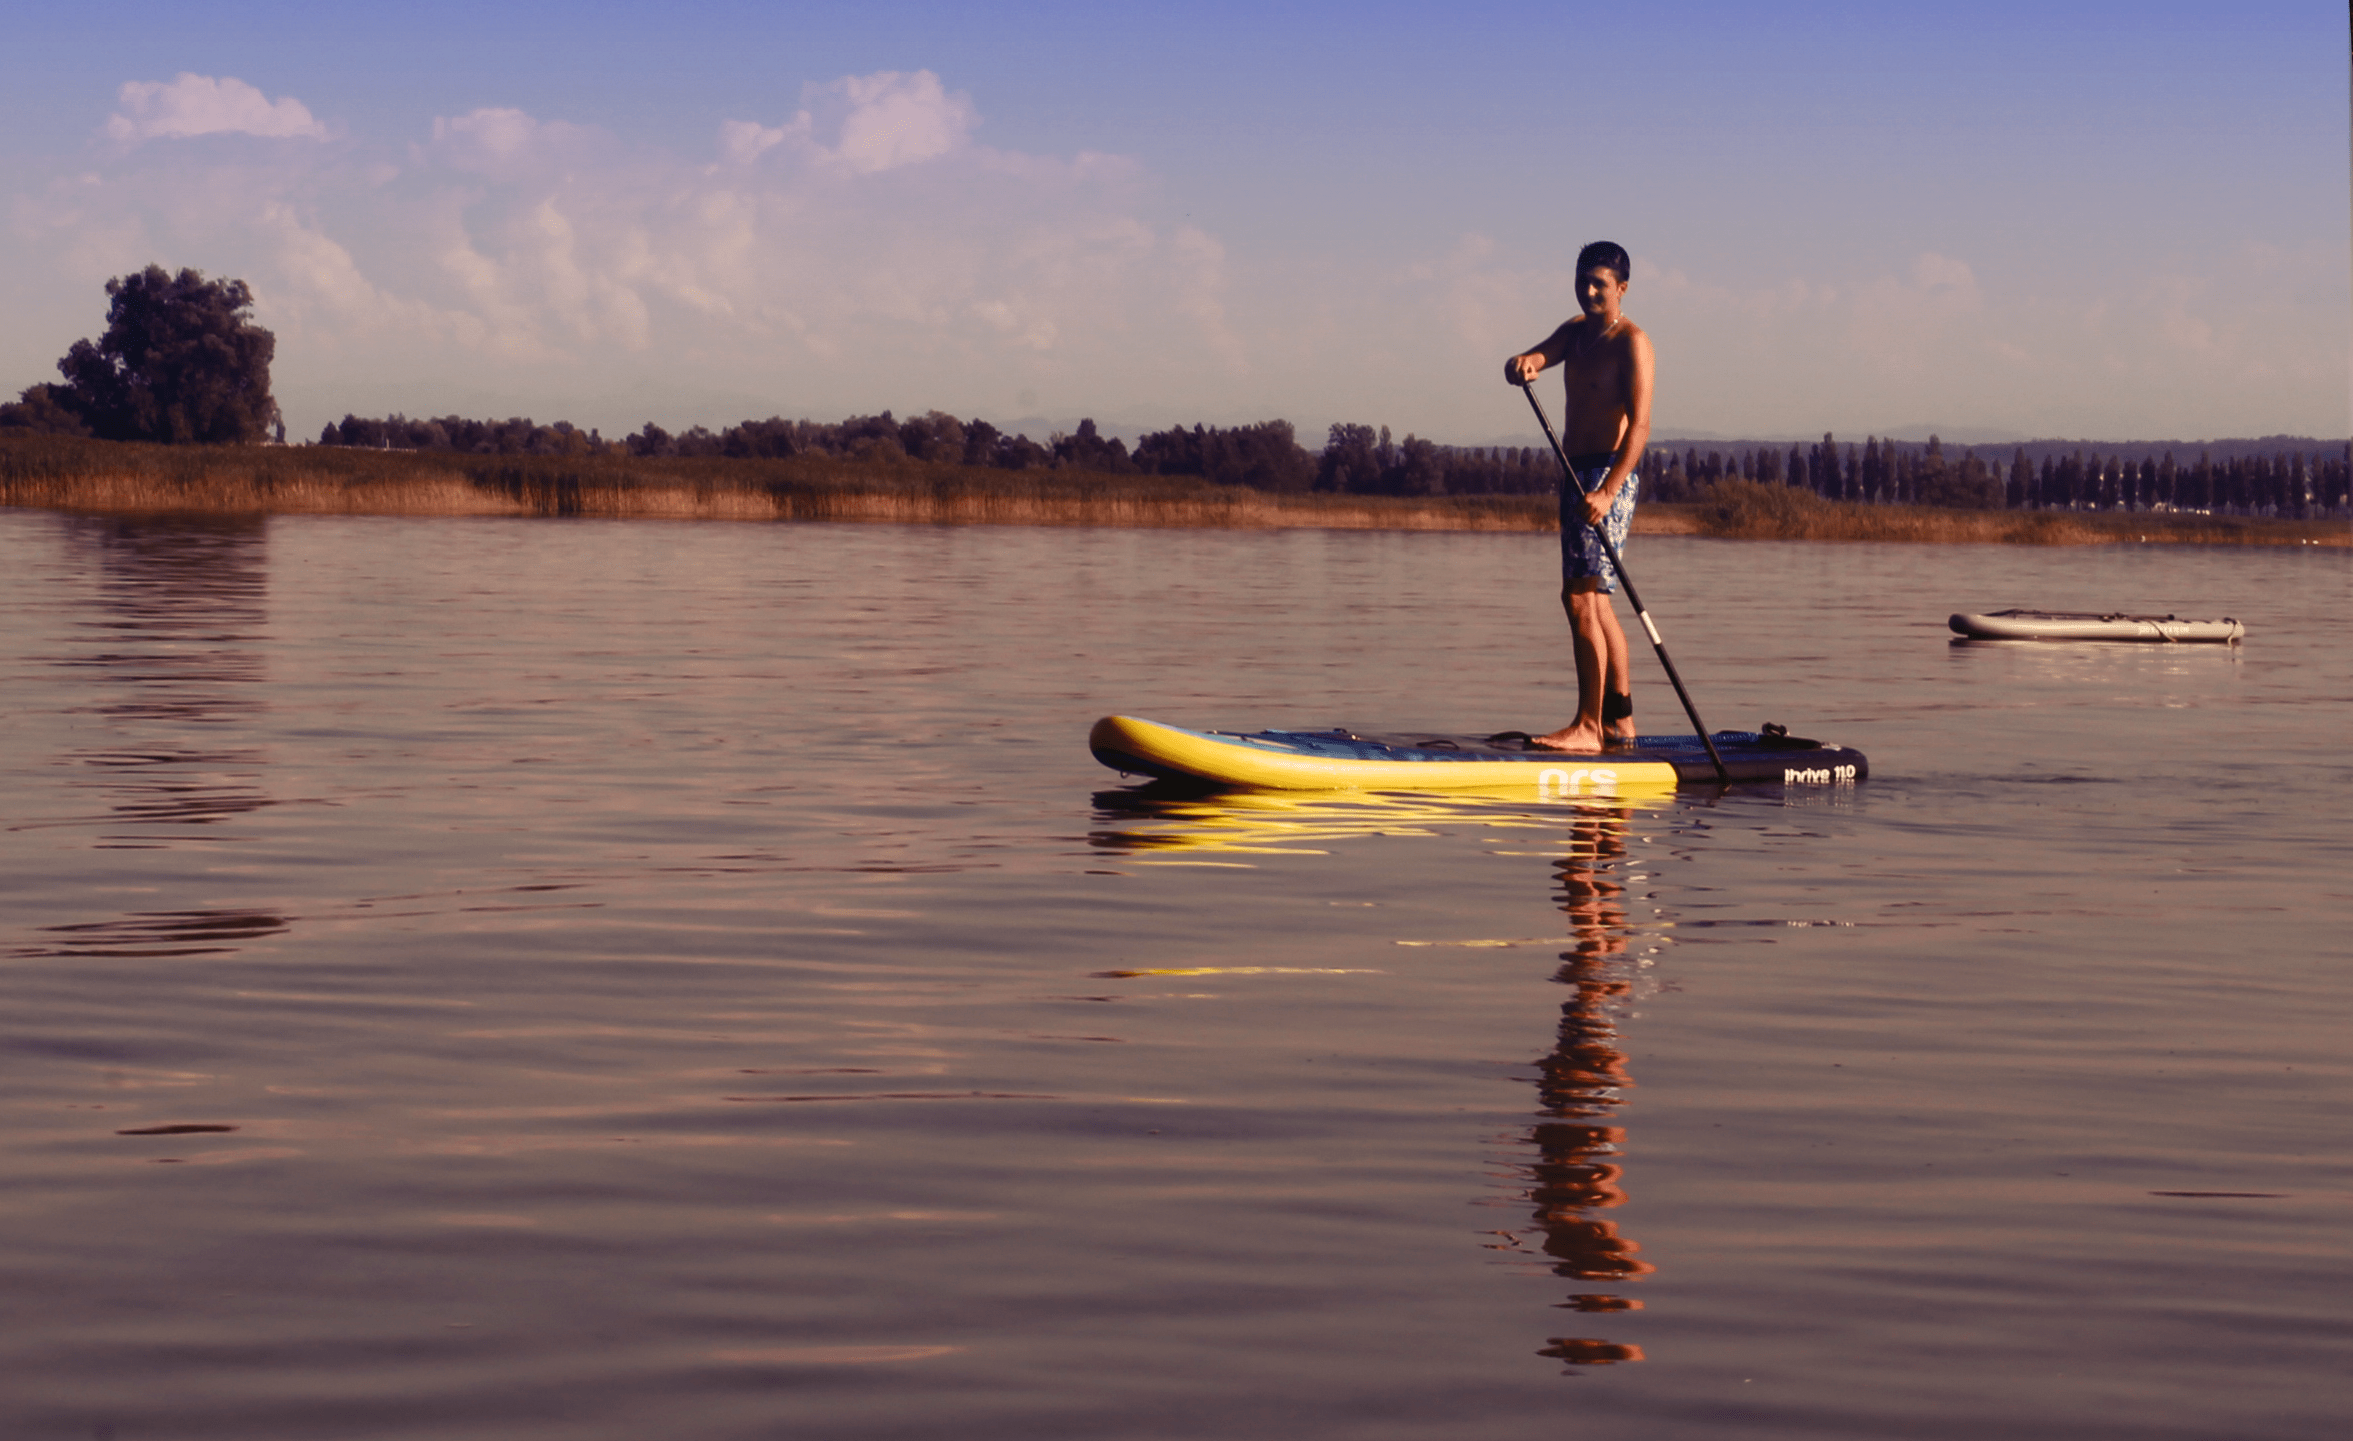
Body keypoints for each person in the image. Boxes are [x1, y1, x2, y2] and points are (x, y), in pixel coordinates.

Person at [1504, 241, 1653, 753]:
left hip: (1608, 477)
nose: (1588, 292)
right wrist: (1521, 363)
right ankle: (1621, 722)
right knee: (1598, 601)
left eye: (1600, 285)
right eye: (1582, 282)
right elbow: (1538, 357)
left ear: (1623, 289)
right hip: (1574, 473)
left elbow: (1640, 427)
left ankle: (1588, 726)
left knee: (1580, 597)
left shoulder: (1633, 343)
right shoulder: (1575, 332)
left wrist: (1609, 492)